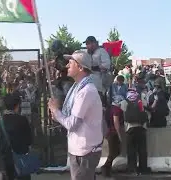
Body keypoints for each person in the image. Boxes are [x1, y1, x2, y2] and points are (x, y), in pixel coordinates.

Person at [48, 50, 103, 180]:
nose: (67, 66)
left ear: (80, 67)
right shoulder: (77, 88)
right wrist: (57, 115)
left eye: (70, 63)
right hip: (79, 150)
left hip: (85, 152)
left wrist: (56, 110)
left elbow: (72, 124)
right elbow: (70, 119)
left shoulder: (86, 91)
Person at [2, 92, 32, 180]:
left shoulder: (0, 121)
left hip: (5, 159)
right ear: (18, 105)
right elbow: (29, 140)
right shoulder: (22, 120)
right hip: (21, 158)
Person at [122, 89, 148, 175]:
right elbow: (144, 111)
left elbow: (123, 114)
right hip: (141, 128)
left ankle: (132, 169)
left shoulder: (124, 102)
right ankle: (143, 169)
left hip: (130, 129)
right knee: (142, 150)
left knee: (131, 150)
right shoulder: (140, 101)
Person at [101, 96, 125, 177]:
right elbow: (116, 122)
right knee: (114, 152)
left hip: (108, 132)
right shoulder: (116, 110)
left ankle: (107, 168)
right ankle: (105, 168)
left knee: (114, 151)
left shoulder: (109, 108)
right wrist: (119, 135)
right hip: (113, 133)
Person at [84, 36, 111, 105]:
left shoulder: (101, 51)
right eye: (86, 44)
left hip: (98, 83)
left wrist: (93, 67)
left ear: (94, 43)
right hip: (88, 83)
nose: (87, 46)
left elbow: (107, 65)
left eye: (88, 43)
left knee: (97, 104)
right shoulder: (88, 53)